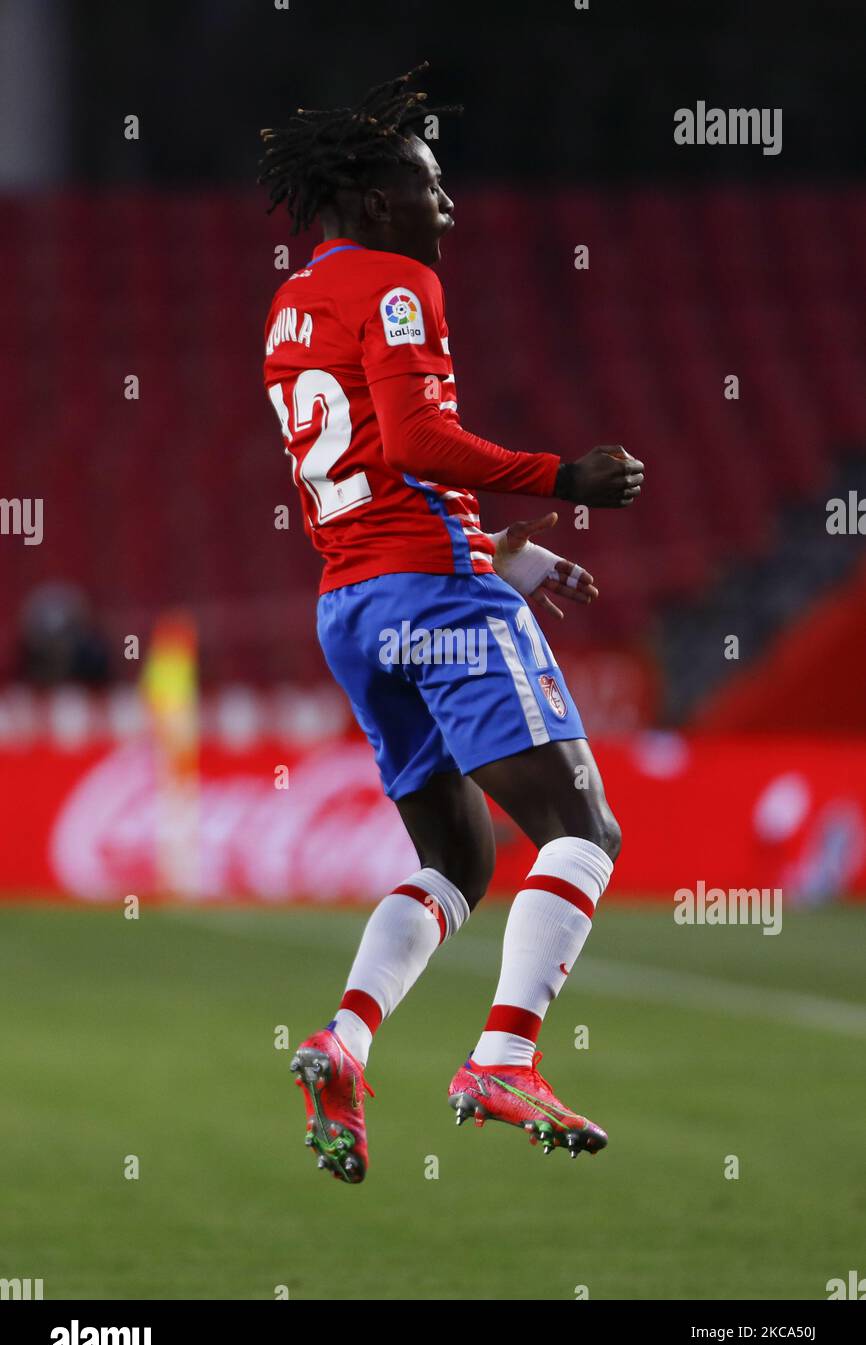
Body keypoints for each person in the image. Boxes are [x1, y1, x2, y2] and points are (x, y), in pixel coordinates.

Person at [260, 63, 644, 1183]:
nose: (447, 207)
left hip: (352, 605)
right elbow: (418, 443)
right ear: (375, 202)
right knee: (580, 823)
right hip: (431, 592)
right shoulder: (393, 281)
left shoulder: (289, 302)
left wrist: (504, 554)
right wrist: (560, 474)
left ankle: (345, 1039)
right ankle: (500, 1057)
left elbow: (367, 474)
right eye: (429, 186)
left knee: (454, 862)